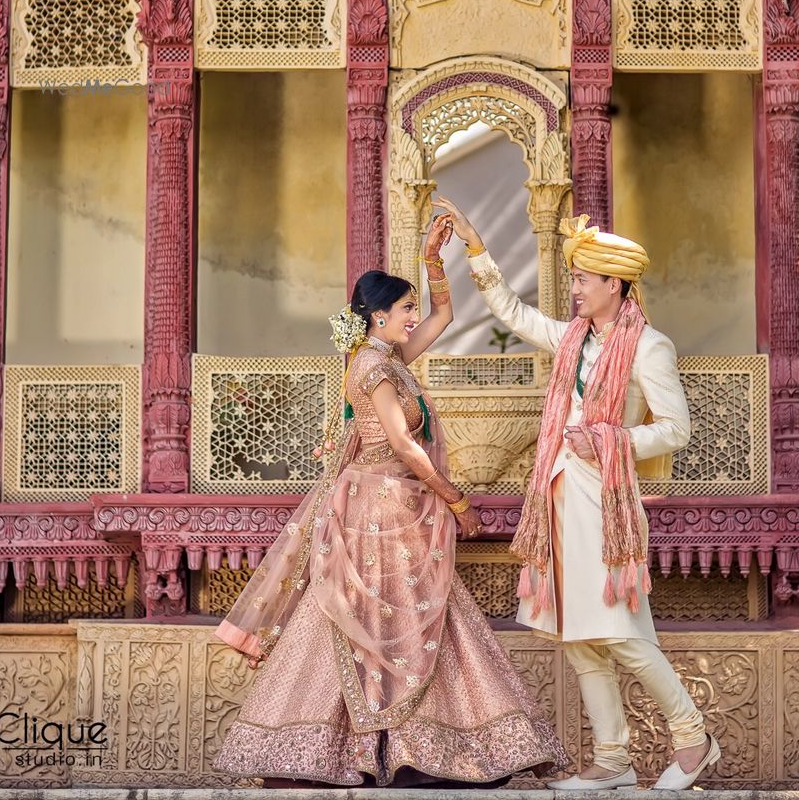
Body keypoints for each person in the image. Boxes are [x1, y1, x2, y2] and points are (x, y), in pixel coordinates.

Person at [212, 213, 569, 787]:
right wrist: (456, 501)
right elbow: (403, 444)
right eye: (404, 309)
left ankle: (419, 751)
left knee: (409, 622)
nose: (412, 318)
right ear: (379, 315)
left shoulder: (390, 358)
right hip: (376, 511)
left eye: (410, 308)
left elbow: (445, 315)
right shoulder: (375, 367)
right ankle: (346, 752)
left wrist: (434, 258)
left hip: (395, 508)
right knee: (373, 624)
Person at [434, 197, 720, 793]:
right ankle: (613, 762)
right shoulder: (572, 340)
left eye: (584, 280)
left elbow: (676, 428)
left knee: (621, 633)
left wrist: (607, 439)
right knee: (579, 639)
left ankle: (693, 738)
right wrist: (476, 246)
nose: (575, 291)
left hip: (607, 506)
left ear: (615, 284)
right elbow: (510, 311)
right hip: (560, 503)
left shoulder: (650, 347)